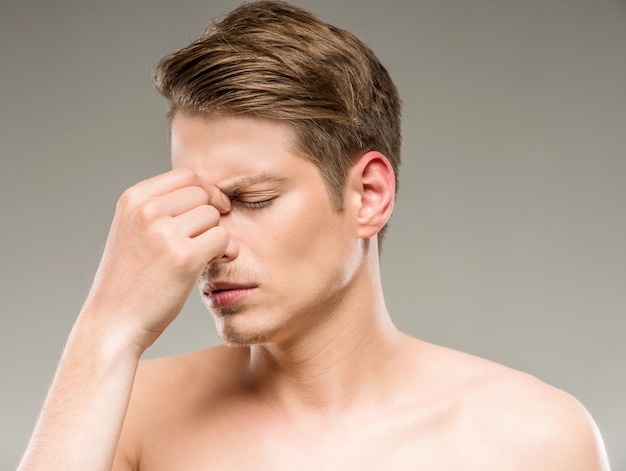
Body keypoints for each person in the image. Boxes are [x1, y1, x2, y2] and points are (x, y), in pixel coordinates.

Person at [18, 1, 610, 470]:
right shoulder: (131, 411)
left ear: (368, 196)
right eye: (196, 205)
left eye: (254, 199)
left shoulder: (531, 440)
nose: (210, 245)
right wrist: (106, 329)